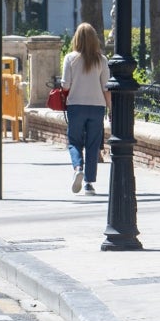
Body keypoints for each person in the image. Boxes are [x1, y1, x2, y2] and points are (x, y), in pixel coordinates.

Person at [62, 23, 111, 196]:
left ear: (77, 38)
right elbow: (106, 87)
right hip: (97, 107)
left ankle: (77, 168)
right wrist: (110, 109)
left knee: (74, 141)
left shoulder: (70, 58)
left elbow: (66, 85)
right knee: (92, 145)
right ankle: (89, 184)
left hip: (76, 105)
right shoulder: (102, 60)